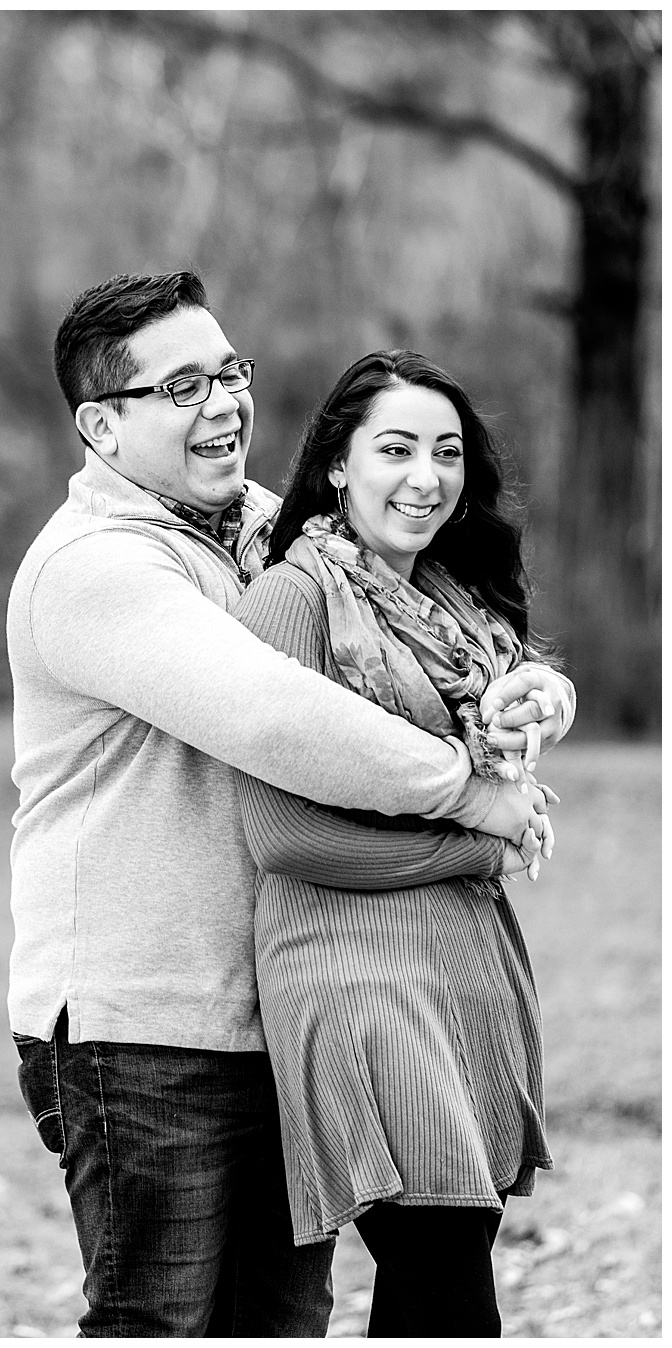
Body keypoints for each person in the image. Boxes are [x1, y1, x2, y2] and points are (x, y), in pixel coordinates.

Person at [6, 272, 574, 1335]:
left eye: (228, 371)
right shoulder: (94, 568)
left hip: (276, 1009)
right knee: (159, 1322)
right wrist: (471, 796)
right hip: (142, 1023)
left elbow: (442, 624)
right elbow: (276, 716)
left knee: (276, 1325)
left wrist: (531, 691)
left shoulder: (273, 530)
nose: (223, 404)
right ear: (102, 426)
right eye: (182, 386)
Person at [237, 351, 559, 1336]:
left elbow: (512, 737)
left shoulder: (458, 605)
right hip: (350, 970)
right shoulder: (292, 603)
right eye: (397, 448)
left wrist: (537, 715)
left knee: (444, 1277)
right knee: (449, 1274)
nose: (428, 475)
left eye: (448, 452)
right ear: (337, 463)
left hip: (458, 962)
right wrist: (483, 841)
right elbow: (282, 836)